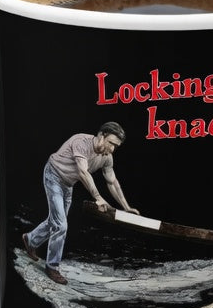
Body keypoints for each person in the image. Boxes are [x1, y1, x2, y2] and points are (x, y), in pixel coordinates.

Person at [23, 122, 138, 285]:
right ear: (101, 135)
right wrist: (98, 197)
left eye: (116, 146)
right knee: (61, 225)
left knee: (56, 221)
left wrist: (126, 207)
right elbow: (83, 172)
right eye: (111, 143)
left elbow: (112, 182)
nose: (112, 149)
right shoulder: (81, 142)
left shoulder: (107, 157)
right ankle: (52, 267)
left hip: (68, 185)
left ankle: (30, 239)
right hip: (53, 176)